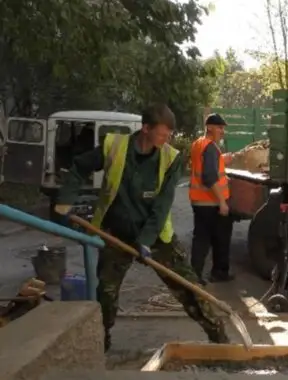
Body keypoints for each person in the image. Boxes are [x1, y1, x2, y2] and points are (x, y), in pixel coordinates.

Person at [53, 104, 229, 352]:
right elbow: (79, 166)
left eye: (169, 135)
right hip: (116, 232)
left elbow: (162, 205)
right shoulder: (114, 146)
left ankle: (221, 341)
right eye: (162, 134)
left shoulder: (171, 158)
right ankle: (100, 345)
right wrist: (65, 200)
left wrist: (146, 239)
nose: (167, 139)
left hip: (156, 235)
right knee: (106, 292)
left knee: (189, 288)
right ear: (146, 129)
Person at [189, 113, 235, 285]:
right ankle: (216, 273)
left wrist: (222, 159)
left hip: (199, 201)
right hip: (211, 202)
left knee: (203, 238)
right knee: (215, 238)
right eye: (219, 128)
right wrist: (222, 202)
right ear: (209, 127)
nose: (222, 131)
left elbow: (201, 165)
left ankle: (197, 275)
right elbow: (209, 176)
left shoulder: (198, 144)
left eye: (223, 128)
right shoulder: (210, 147)